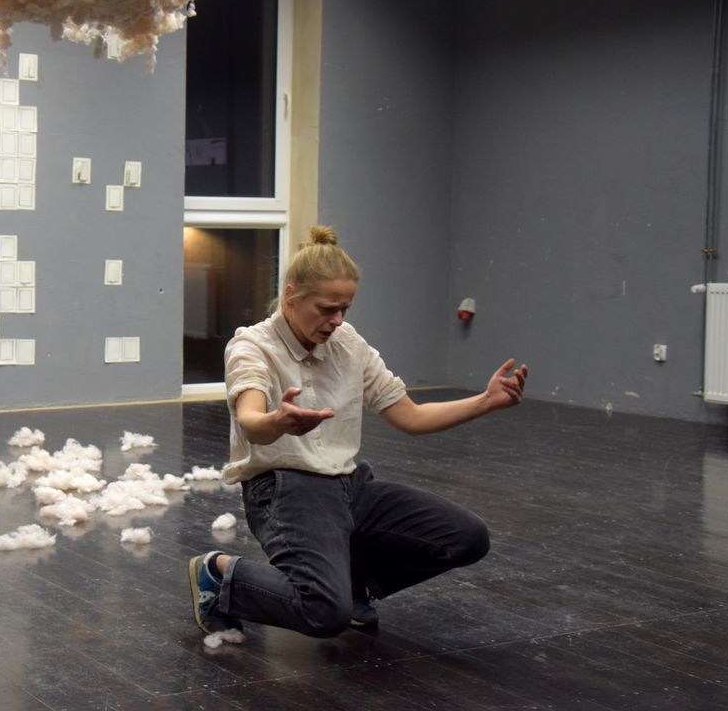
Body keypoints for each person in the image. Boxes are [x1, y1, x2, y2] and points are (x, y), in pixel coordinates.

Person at [188, 225, 528, 638]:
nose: (336, 320)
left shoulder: (349, 345)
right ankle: (220, 575)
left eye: (344, 309)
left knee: (467, 537)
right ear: (291, 295)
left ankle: (352, 582)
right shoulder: (252, 347)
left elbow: (411, 417)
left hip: (350, 487)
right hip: (284, 489)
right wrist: (277, 421)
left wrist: (486, 401)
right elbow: (250, 421)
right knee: (323, 613)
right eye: (326, 308)